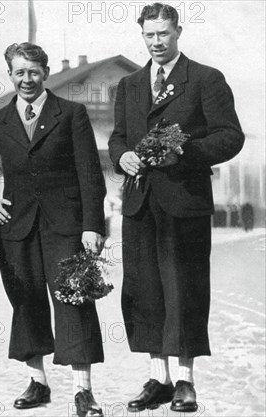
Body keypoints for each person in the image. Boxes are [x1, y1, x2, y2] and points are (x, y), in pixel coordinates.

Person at [108, 3, 244, 413]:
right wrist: (122, 157)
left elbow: (230, 137)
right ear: (142, 35)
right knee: (145, 290)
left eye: (163, 34)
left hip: (184, 202)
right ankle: (158, 378)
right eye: (149, 35)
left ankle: (185, 381)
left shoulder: (205, 79)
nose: (156, 42)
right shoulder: (130, 84)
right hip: (139, 203)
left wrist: (184, 151)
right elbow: (117, 138)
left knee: (183, 289)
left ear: (178, 32)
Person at [0, 42, 107, 417]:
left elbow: (89, 173)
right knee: (25, 301)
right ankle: (38, 381)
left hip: (65, 227)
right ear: (10, 75)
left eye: (33, 72)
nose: (27, 79)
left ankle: (83, 391)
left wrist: (91, 226)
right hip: (16, 228)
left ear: (46, 73)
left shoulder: (71, 114)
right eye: (19, 72)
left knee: (74, 301)